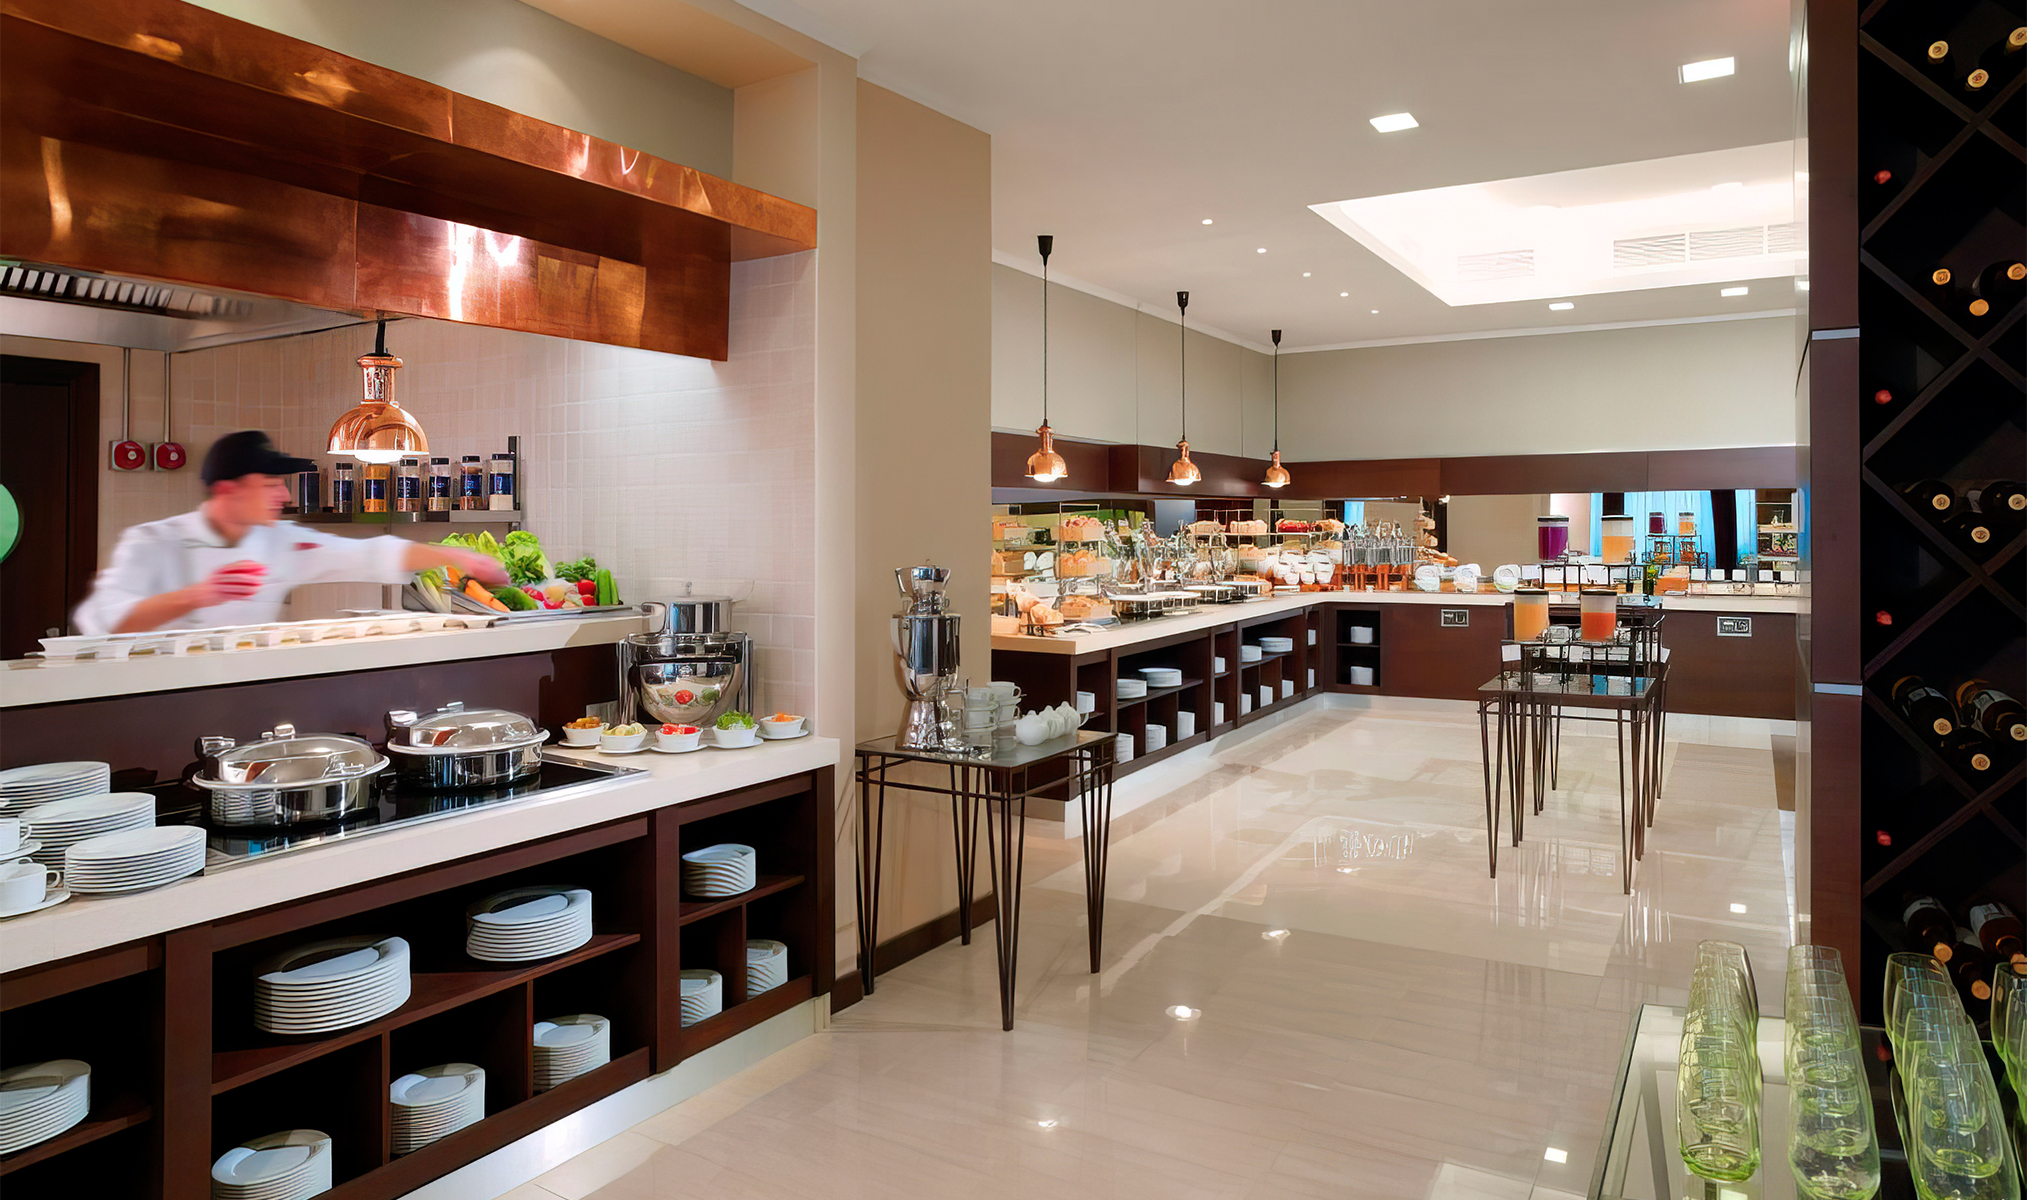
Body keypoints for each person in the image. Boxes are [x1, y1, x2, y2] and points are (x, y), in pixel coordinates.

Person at [74, 431, 508, 634]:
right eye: (270, 484)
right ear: (228, 489)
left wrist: (459, 558)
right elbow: (100, 619)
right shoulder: (153, 542)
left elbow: (369, 554)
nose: (283, 495)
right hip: (151, 700)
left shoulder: (277, 542)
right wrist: (198, 595)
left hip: (239, 695)